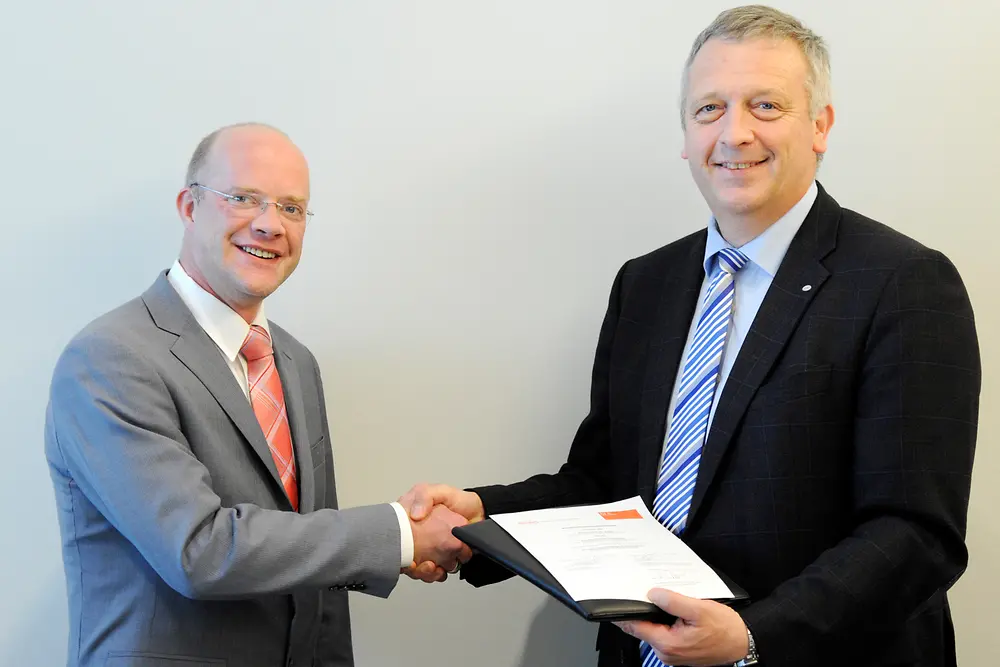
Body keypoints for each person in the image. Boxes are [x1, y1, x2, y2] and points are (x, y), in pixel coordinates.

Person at [402, 6, 981, 667]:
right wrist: (480, 517)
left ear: (820, 125)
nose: (735, 132)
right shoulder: (646, 285)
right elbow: (603, 484)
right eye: (710, 109)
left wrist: (753, 636)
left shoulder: (904, 283)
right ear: (686, 134)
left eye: (766, 105)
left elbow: (915, 533)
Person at [45, 123, 468, 667]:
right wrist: (401, 534)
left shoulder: (293, 361)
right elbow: (199, 552)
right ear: (190, 207)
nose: (270, 224)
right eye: (244, 198)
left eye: (292, 208)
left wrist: (395, 549)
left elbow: (311, 563)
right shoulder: (111, 358)